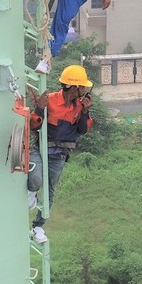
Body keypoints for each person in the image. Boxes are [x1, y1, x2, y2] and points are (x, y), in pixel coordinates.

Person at [26, 65, 94, 243]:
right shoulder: (50, 100)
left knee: (49, 192)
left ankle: (38, 226)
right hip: (40, 149)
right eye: (83, 86)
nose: (86, 90)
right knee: (35, 179)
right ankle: (31, 193)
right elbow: (34, 125)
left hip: (59, 155)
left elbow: (82, 130)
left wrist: (85, 113)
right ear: (75, 87)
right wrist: (40, 109)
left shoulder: (79, 107)